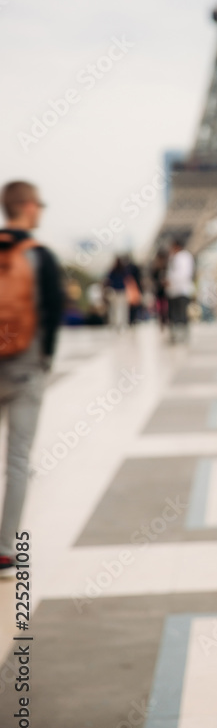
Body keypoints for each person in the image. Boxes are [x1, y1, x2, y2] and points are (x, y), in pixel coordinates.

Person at [0, 181, 63, 576]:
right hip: (24, 368)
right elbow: (53, 313)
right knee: (18, 460)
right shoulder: (39, 256)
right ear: (26, 207)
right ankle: (6, 549)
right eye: (38, 204)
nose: (41, 210)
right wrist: (45, 359)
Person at [165, 239, 195, 343]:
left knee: (181, 314)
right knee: (175, 314)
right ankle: (177, 335)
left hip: (181, 290)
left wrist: (171, 281)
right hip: (174, 291)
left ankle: (181, 335)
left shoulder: (184, 257)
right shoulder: (174, 257)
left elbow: (184, 274)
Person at [105, 256, 129, 331]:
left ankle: (118, 323)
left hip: (117, 291)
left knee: (116, 309)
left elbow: (108, 280)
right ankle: (119, 323)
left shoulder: (114, 270)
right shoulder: (121, 270)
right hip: (119, 291)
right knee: (121, 309)